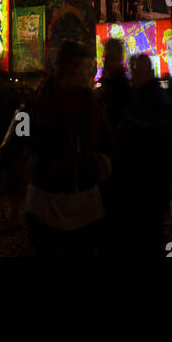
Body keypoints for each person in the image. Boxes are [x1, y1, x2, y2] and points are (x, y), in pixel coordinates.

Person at [25, 41, 112, 258]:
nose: (88, 73)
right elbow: (17, 147)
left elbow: (108, 145)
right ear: (68, 69)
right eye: (84, 67)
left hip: (85, 201)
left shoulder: (94, 106)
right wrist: (40, 167)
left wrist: (97, 167)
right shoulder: (35, 105)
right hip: (46, 201)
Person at [115, 53, 172, 256]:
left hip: (145, 176)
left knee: (146, 231)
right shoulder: (159, 98)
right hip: (155, 175)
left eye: (135, 72)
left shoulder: (144, 101)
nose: (132, 76)